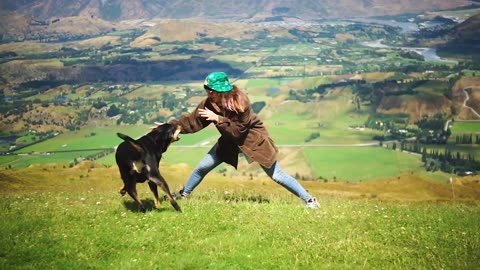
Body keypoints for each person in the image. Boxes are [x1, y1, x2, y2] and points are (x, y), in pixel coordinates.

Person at [165, 71, 319, 208]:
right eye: (207, 90)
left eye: (210, 90)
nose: (208, 93)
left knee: (277, 175)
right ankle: (184, 194)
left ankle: (310, 200)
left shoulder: (240, 103)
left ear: (220, 91)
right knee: (202, 167)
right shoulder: (209, 103)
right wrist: (170, 127)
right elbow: (193, 121)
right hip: (229, 143)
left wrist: (218, 118)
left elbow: (238, 131)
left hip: (253, 141)